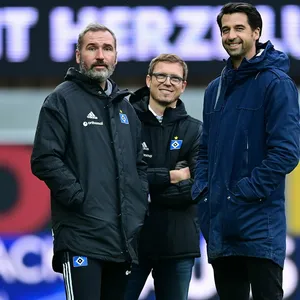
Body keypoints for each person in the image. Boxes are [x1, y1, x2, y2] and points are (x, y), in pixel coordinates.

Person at [31, 23, 148, 300]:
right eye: (92, 48)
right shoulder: (61, 100)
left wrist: (138, 202)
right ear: (78, 55)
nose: (100, 55)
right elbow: (44, 158)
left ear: (116, 57)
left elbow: (138, 165)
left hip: (121, 240)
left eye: (107, 49)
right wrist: (79, 198)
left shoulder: (125, 107)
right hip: (81, 235)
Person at [192, 2, 300, 300]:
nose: (231, 35)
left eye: (239, 28)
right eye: (225, 29)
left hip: (259, 225)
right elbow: (205, 151)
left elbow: (286, 153)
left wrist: (244, 192)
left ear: (256, 32)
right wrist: (203, 190)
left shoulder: (277, 84)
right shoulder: (214, 89)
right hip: (221, 228)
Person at [124, 54, 202, 300]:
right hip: (130, 243)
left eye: (175, 78)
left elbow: (197, 186)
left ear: (183, 85)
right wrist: (171, 176)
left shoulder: (195, 129)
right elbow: (122, 178)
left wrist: (146, 188)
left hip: (178, 243)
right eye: (161, 75)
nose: (167, 82)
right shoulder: (124, 122)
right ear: (148, 80)